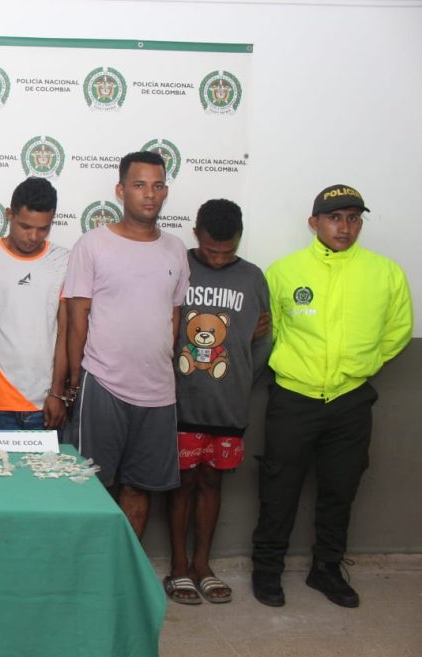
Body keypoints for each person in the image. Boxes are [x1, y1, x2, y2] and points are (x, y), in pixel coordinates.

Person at [251, 184, 412, 608]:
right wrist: (296, 366)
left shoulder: (385, 273)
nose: (345, 227)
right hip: (293, 398)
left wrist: (363, 364)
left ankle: (326, 569)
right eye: (335, 218)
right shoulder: (284, 272)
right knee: (278, 489)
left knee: (341, 489)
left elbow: (397, 330)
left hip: (350, 400)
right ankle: (267, 570)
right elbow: (271, 330)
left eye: (353, 218)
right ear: (314, 223)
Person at [64, 151, 189, 537]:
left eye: (157, 186)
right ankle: (90, 567)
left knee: (139, 489)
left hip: (158, 391)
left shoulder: (176, 249)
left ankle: (126, 568)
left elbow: (174, 316)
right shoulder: (93, 244)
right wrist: (75, 380)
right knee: (92, 485)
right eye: (139, 185)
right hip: (103, 383)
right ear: (120, 191)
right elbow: (77, 318)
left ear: (165, 192)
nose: (149, 194)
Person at [163, 199, 271, 605]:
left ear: (239, 239)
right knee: (182, 483)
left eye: (227, 251)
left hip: (228, 406)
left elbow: (263, 341)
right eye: (210, 250)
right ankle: (178, 565)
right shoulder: (178, 266)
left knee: (212, 481)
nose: (219, 258)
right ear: (196, 235)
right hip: (180, 403)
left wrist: (240, 381)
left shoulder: (253, 278)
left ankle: (202, 564)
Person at [0, 177, 70, 431]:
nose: (32, 236)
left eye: (43, 228)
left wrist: (57, 393)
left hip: (45, 403)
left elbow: (64, 333)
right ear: (9, 214)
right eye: (25, 226)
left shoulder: (64, 260)